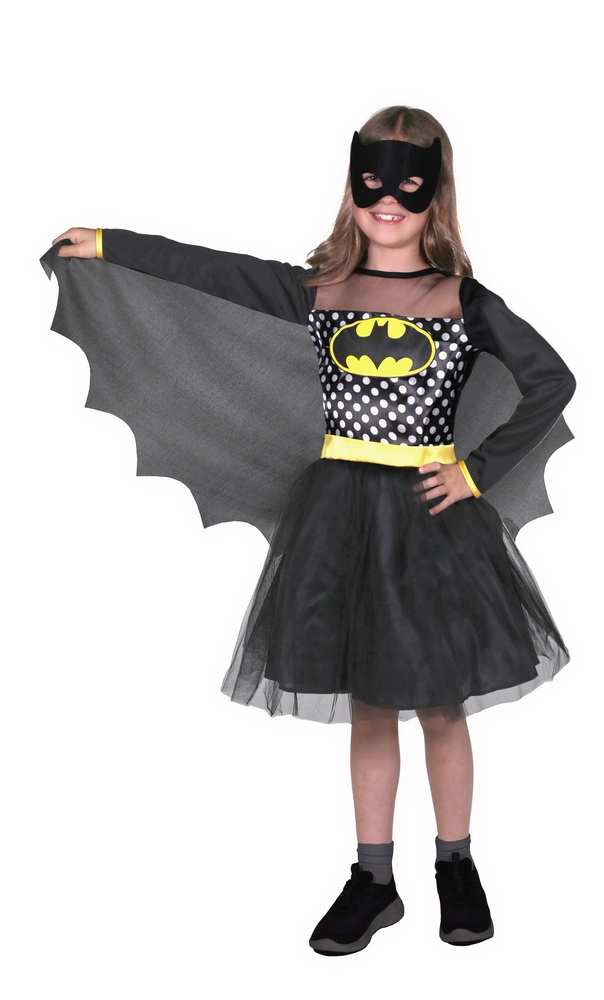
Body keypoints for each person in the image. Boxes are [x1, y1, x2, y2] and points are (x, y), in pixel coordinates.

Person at [46, 104, 576, 955]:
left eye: (408, 185)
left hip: (431, 522)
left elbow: (551, 379)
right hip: (340, 516)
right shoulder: (321, 289)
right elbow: (209, 272)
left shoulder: (464, 300)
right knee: (370, 704)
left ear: (435, 193)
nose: (388, 201)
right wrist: (110, 243)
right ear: (353, 187)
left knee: (440, 705)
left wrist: (475, 470)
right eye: (372, 183)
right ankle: (373, 880)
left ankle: (455, 865)